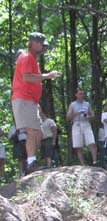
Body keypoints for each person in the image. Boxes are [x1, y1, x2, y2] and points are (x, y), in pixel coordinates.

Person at [11, 32, 61, 174]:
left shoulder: (31, 58)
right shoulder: (26, 57)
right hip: (23, 98)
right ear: (33, 43)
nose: (43, 48)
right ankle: (31, 163)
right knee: (32, 131)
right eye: (41, 44)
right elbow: (27, 77)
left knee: (38, 132)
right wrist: (47, 75)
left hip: (30, 101)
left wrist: (35, 103)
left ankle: (31, 161)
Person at [66, 88, 97, 165]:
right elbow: (68, 117)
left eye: (82, 94)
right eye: (80, 94)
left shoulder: (87, 104)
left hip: (86, 123)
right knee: (78, 146)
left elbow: (92, 115)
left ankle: (95, 161)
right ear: (76, 95)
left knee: (92, 143)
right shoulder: (72, 104)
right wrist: (76, 113)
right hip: (76, 124)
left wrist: (88, 116)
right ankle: (83, 164)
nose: (81, 95)